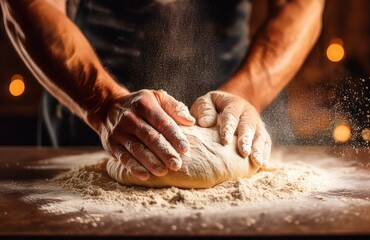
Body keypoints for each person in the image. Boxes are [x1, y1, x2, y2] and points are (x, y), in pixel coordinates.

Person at [1, 0, 324, 180]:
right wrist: (102, 103)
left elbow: (300, 5)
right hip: (84, 87)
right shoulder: (96, 99)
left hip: (240, 97)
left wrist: (248, 92)